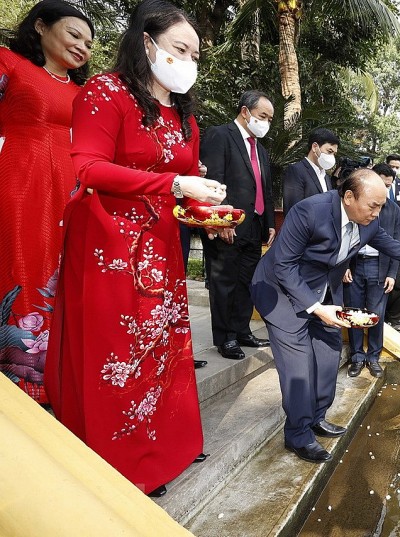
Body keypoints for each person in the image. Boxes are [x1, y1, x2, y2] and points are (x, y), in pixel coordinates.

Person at [44, 0, 226, 498]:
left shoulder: (182, 114)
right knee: (117, 351)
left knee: (161, 348)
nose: (188, 61)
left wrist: (203, 206)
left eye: (195, 54)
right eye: (179, 49)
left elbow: (178, 180)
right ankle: (121, 462)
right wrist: (175, 184)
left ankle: (164, 447)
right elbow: (87, 167)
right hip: (109, 243)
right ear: (146, 43)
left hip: (162, 244)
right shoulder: (106, 92)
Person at [250, 168, 400, 463]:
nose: (378, 212)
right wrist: (316, 308)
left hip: (321, 294)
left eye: (382, 206)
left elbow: (392, 246)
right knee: (299, 369)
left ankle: (316, 417)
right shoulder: (309, 212)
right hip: (278, 292)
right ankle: (298, 435)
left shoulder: (368, 221)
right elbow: (283, 266)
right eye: (373, 205)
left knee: (329, 357)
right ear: (348, 197)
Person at [0, 0, 94, 404]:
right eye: (75, 34)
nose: (82, 47)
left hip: (69, 193)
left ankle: (55, 379)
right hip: (20, 184)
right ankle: (20, 382)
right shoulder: (10, 64)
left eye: (89, 43)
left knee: (63, 278)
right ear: (40, 26)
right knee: (22, 266)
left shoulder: (83, 92)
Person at [200, 90, 275, 360]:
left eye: (269, 118)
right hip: (227, 226)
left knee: (247, 282)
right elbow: (214, 182)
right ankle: (225, 338)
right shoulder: (220, 136)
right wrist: (222, 219)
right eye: (262, 116)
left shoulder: (261, 151)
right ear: (245, 111)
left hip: (254, 226)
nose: (266, 122)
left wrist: (268, 223)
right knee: (225, 283)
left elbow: (264, 188)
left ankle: (242, 330)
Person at [343, 164, 400, 378]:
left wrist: (392, 274)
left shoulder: (394, 210)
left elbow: (396, 243)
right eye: (382, 183)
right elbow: (345, 236)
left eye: (388, 185)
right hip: (355, 264)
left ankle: (373, 357)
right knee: (354, 312)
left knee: (377, 314)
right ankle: (357, 357)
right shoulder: (357, 204)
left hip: (380, 267)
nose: (385, 189)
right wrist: (344, 266)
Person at [282, 127, 339, 214]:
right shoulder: (296, 171)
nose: (332, 157)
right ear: (315, 147)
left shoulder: (326, 177)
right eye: (329, 151)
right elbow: (293, 211)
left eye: (334, 154)